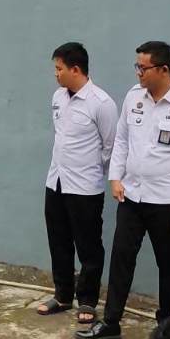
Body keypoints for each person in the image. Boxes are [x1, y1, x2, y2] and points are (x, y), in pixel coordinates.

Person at [75, 41, 170, 339]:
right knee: (121, 257)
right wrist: (115, 176)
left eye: (143, 68)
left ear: (164, 69)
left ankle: (166, 324)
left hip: (169, 202)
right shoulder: (134, 98)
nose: (138, 73)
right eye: (137, 66)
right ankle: (111, 322)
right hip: (132, 196)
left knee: (167, 262)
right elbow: (121, 140)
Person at [36, 42, 117, 324]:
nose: (56, 74)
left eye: (59, 69)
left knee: (88, 246)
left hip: (85, 187)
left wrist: (93, 171)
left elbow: (110, 147)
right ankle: (62, 295)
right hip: (56, 181)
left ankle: (88, 300)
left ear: (76, 69)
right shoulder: (58, 97)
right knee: (58, 240)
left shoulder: (101, 103)